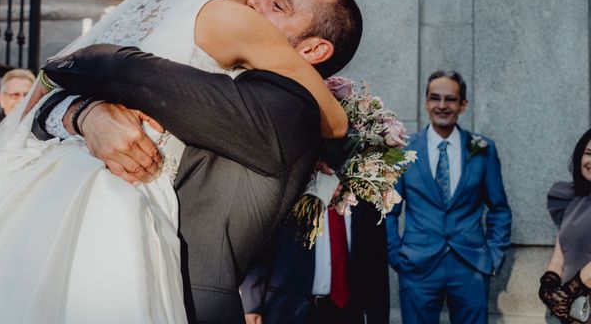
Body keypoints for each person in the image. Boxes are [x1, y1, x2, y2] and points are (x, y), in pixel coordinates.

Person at [0, 0, 362, 324]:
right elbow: (332, 117)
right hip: (116, 201)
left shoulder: (160, 5)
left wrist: (73, 80)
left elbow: (49, 89)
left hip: (49, 191)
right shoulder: (234, 21)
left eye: (279, 6)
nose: (261, 6)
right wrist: (84, 111)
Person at [386, 70, 512, 324]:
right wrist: (396, 256)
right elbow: (389, 210)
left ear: (462, 105)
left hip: (471, 265)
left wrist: (493, 257)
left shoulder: (483, 149)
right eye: (435, 98)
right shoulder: (404, 149)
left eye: (450, 99)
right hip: (417, 265)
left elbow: (499, 208)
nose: (441, 105)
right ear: (426, 102)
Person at [240, 199, 390, 324]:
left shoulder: (365, 194)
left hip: (347, 310)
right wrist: (252, 304)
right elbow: (263, 245)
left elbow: (375, 263)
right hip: (290, 308)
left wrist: (379, 317)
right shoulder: (296, 181)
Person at [540, 129, 591, 322]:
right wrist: (549, 287)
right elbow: (559, 257)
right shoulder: (572, 199)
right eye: (588, 153)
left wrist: (571, 291)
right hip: (563, 309)